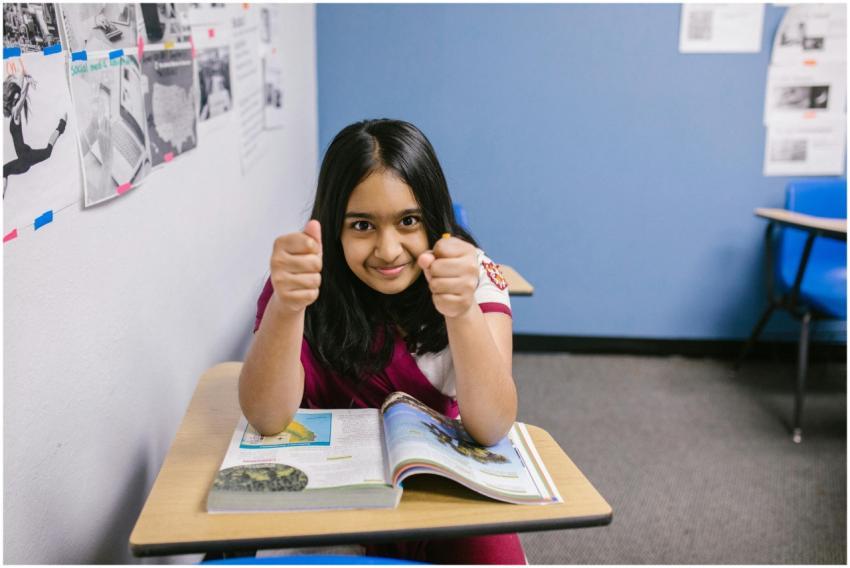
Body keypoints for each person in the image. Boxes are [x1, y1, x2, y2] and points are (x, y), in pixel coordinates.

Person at [239, 118, 525, 564]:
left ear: (434, 217)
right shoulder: (303, 278)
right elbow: (268, 417)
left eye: (408, 221)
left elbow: (490, 426)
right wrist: (286, 306)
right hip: (332, 496)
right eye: (362, 226)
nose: (389, 250)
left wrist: (462, 309)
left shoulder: (473, 276)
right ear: (333, 224)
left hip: (439, 491)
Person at [3, 72, 67, 198]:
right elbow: (20, 91)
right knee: (4, 171)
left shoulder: (16, 114)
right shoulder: (14, 113)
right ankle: (61, 127)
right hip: (24, 159)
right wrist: (24, 75)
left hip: (25, 158)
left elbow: (22, 95)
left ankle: (61, 127)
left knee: (4, 171)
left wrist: (27, 83)